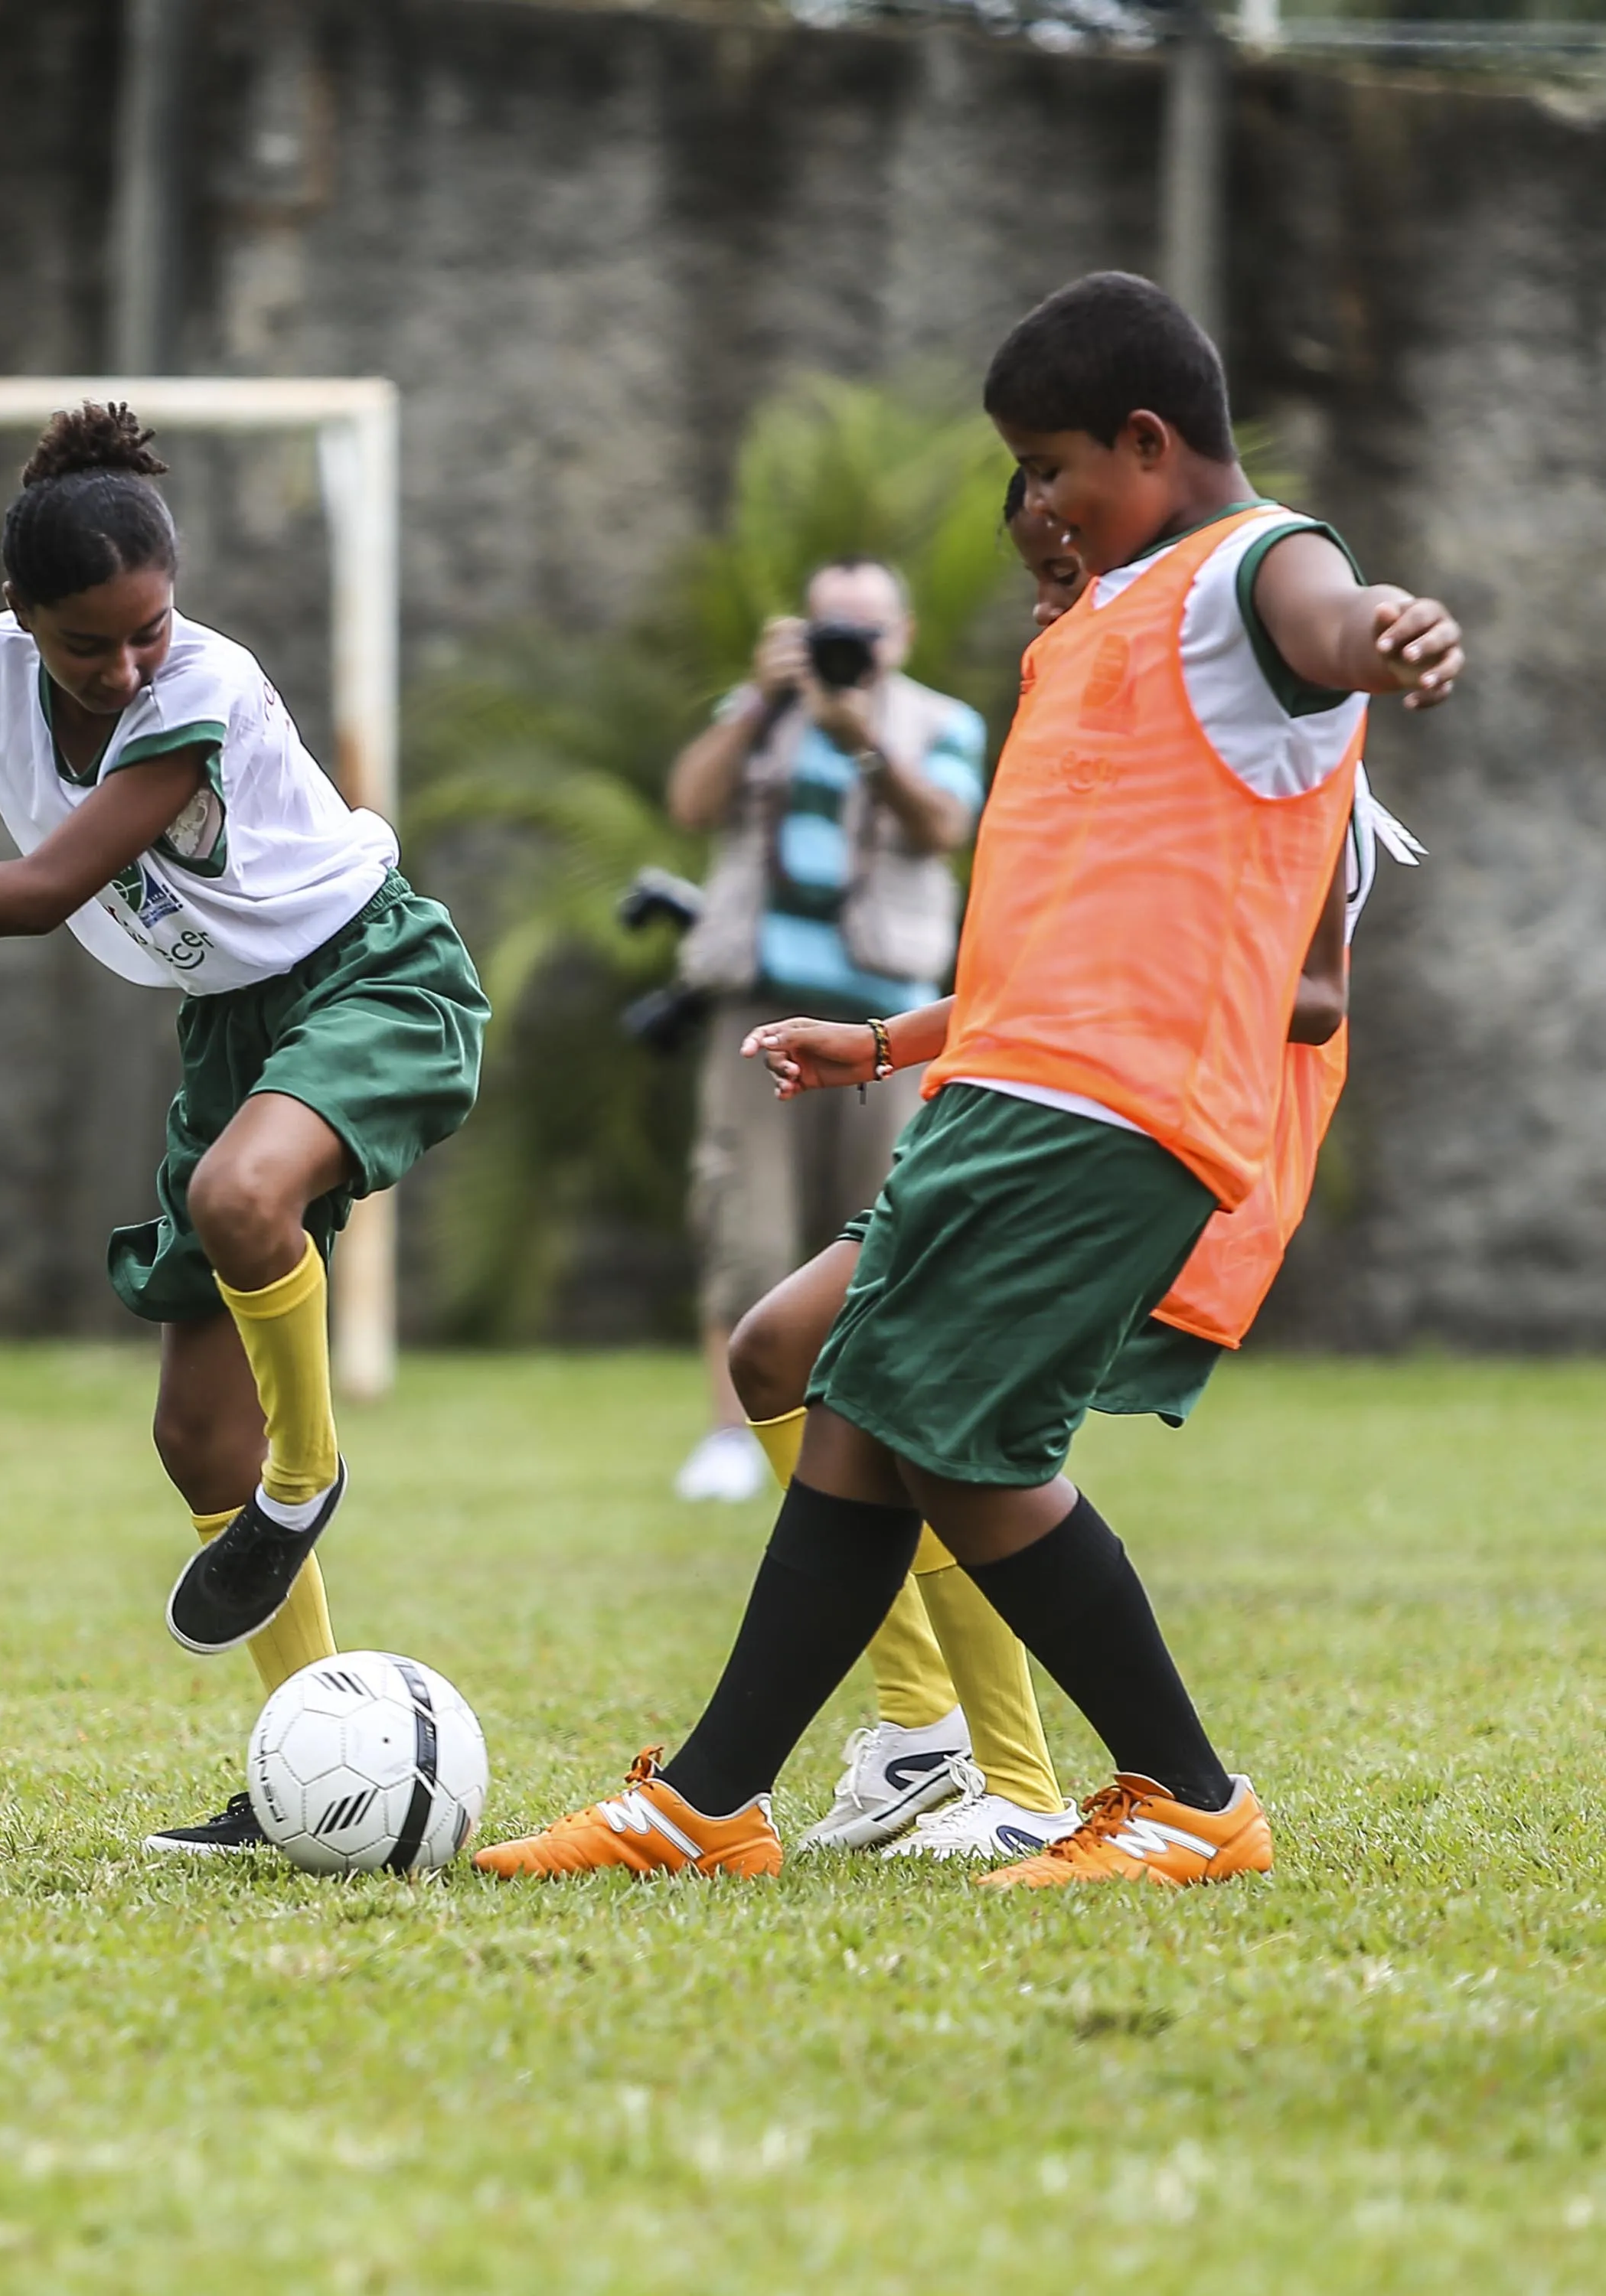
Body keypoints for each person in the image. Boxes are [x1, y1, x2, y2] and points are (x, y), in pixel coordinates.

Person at [477, 270, 1462, 1889]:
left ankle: (1190, 1805)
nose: (1036, 507)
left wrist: (1388, 636)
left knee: (958, 1443)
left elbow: (1328, 623)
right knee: (826, 1386)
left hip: (1112, 1114)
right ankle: (708, 1804)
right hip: (1001, 1094)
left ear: (1144, 441)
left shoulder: (1254, 566)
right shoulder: (1086, 635)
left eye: (1051, 468)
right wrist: (879, 1043)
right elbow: (1054, 938)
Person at [0, 405, 487, 1855]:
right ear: (16, 616)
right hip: (227, 1028)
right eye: (85, 645)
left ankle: (311, 1477)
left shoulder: (198, 689)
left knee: (240, 1204)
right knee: (190, 1439)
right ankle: (304, 1767)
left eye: (145, 628)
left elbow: (43, 887)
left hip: (367, 974)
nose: (123, 666)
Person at [661, 558, 987, 1505]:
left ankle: (881, 1434)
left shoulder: (940, 725)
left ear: (904, 638)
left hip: (891, 1020)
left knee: (889, 1228)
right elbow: (688, 804)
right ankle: (732, 1437)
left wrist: (862, 744)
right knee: (745, 1227)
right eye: (829, 629)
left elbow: (944, 828)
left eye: (867, 631)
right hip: (755, 1009)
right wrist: (758, 705)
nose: (850, 648)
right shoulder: (760, 711)